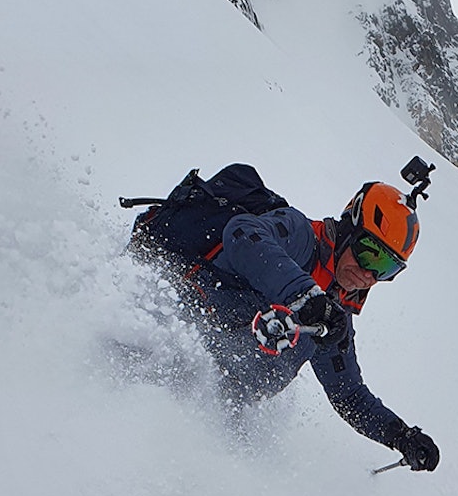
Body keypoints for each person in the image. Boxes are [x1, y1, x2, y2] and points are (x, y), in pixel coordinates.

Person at [131, 174, 440, 472]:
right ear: (349, 229)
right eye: (369, 254)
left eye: (386, 268)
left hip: (204, 407)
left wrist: (401, 436)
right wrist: (304, 296)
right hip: (154, 339)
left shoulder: (333, 318)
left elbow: (349, 395)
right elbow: (242, 234)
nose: (369, 275)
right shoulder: (301, 237)